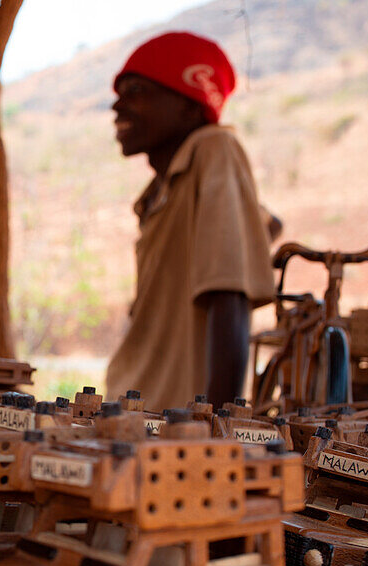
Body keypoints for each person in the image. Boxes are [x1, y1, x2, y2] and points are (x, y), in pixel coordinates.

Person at [104, 31, 276, 412]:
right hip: (135, 407)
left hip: (172, 421)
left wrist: (215, 428)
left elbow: (229, 295)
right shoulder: (157, 194)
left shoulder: (214, 148)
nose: (117, 106)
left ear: (190, 105)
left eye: (136, 91)